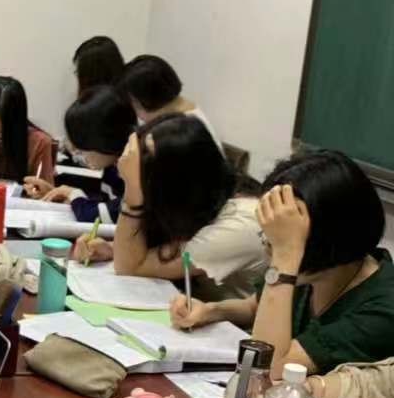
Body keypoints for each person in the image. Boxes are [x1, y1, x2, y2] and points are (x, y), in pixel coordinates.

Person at [172, 150, 394, 380]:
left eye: (281, 235)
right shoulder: (318, 270)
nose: (269, 246)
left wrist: (286, 255)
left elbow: (268, 370)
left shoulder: (383, 310)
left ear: (328, 235)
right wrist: (210, 311)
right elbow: (253, 307)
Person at [106, 113, 265, 298]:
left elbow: (130, 268)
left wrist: (133, 193)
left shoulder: (236, 225)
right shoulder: (205, 198)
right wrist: (111, 248)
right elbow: (166, 248)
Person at [24, 85, 133, 223]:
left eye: (82, 148)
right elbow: (104, 207)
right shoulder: (113, 166)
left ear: (103, 140)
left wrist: (74, 194)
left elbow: (99, 216)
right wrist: (60, 195)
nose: (80, 155)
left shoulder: (133, 171)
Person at [118, 54, 218, 143]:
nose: (139, 117)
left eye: (135, 105)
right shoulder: (186, 114)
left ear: (149, 99)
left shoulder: (182, 133)